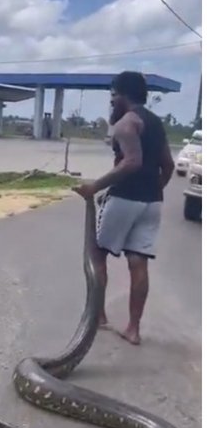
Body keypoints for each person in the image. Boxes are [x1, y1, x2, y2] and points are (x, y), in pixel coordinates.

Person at [72, 71, 175, 345]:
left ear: (122, 95)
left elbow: (131, 162)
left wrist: (94, 187)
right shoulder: (155, 122)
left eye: (113, 95)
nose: (112, 100)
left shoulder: (126, 123)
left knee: (97, 255)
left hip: (124, 199)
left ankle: (99, 316)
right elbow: (169, 166)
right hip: (152, 203)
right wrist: (152, 192)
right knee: (138, 263)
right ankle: (133, 329)